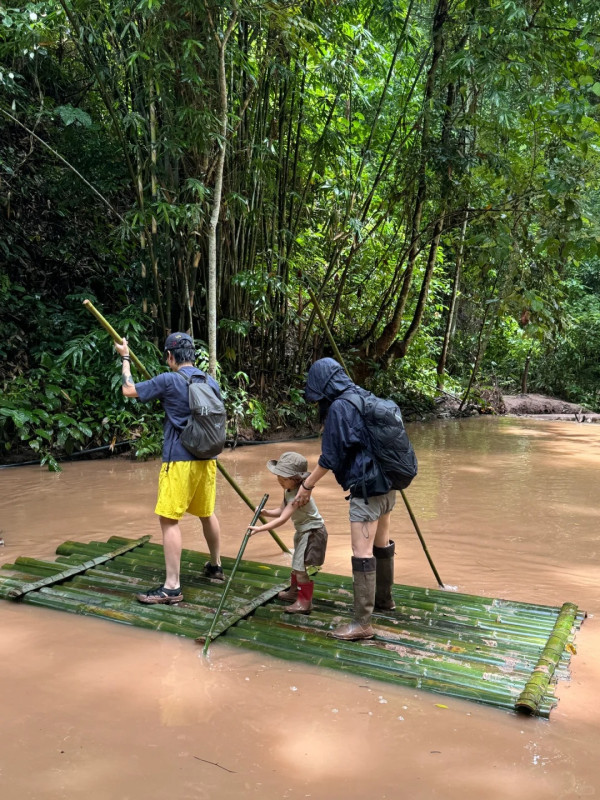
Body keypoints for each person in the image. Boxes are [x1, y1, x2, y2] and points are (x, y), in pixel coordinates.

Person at [115, 332, 224, 604]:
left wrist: (125, 358)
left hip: (179, 460)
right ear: (193, 355)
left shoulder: (169, 379)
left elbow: (129, 390)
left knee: (169, 520)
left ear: (170, 357)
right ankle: (215, 566)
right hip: (207, 460)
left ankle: (172, 587)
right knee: (206, 513)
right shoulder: (210, 381)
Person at [295, 358, 397, 640]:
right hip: (389, 487)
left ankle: (363, 623)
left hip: (366, 491)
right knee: (382, 543)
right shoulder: (364, 397)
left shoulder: (340, 407)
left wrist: (307, 485)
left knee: (362, 553)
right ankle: (384, 600)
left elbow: (329, 457)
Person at [249, 451, 328, 614]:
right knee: (296, 565)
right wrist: (265, 512)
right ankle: (294, 592)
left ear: (296, 479)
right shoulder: (289, 490)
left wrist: (259, 529)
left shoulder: (299, 494)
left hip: (312, 532)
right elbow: (281, 511)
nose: (279, 480)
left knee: (300, 568)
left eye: (283, 478)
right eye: (278, 476)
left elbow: (282, 519)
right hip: (302, 530)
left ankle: (305, 603)